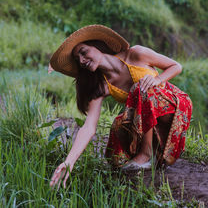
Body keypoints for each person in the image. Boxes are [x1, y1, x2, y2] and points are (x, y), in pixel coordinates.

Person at [48, 25, 192, 188]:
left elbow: (176, 66)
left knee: (140, 89)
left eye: (83, 52)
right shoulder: (101, 86)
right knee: (117, 129)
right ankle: (153, 154)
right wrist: (69, 161)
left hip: (174, 106)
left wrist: (157, 80)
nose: (81, 60)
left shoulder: (137, 54)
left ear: (97, 45)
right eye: (77, 59)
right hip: (149, 118)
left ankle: (147, 154)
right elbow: (89, 127)